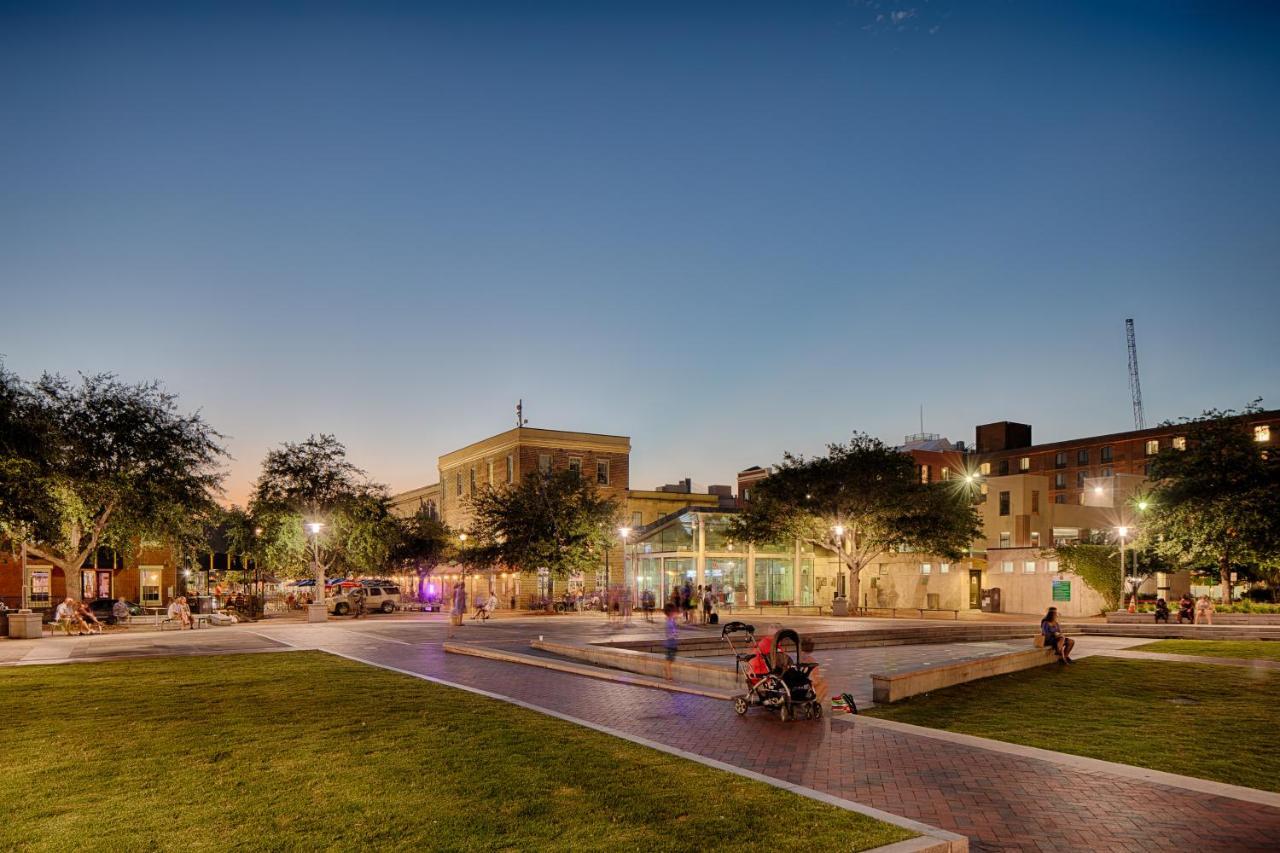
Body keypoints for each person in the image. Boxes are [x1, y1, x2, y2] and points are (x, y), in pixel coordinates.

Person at [662, 603, 679, 681]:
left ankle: (667, 673)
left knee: (670, 660)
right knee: (669, 660)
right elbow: (670, 633)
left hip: (672, 643)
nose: (676, 613)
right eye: (675, 611)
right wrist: (674, 635)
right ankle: (669, 676)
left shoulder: (671, 621)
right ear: (671, 613)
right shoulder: (669, 622)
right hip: (670, 644)